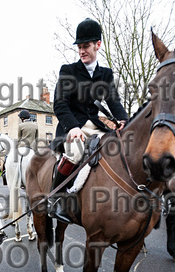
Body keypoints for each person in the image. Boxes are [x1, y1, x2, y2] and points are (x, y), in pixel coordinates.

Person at [50, 18, 129, 223]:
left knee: (120, 150)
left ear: (98, 45)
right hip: (73, 127)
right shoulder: (68, 70)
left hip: (97, 127)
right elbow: (60, 103)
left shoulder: (106, 74)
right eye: (79, 47)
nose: (82, 51)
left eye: (86, 46)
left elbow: (113, 101)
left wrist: (123, 120)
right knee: (75, 152)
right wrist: (73, 127)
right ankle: (56, 199)